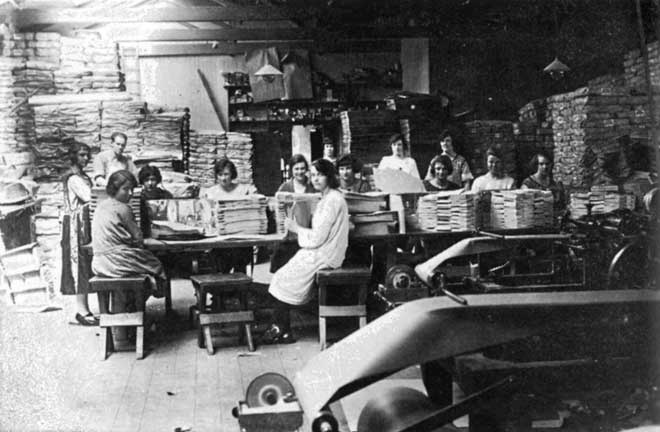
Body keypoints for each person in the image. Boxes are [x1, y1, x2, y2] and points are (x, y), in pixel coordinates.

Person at [263, 159, 349, 344]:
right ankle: (282, 327)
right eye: (314, 174)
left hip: (326, 253)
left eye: (320, 174)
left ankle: (281, 328)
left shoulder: (332, 200)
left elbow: (318, 237)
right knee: (281, 274)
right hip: (323, 249)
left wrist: (296, 228)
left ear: (329, 176)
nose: (316, 179)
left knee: (282, 276)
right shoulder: (327, 197)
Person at [91, 170, 167, 299]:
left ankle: (131, 302)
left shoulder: (100, 206)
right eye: (125, 189)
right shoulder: (124, 208)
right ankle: (145, 298)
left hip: (99, 263)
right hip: (118, 262)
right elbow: (138, 238)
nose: (130, 193)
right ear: (114, 189)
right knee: (156, 264)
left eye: (132, 189)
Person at [60, 141, 96, 326]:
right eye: (82, 155)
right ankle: (81, 311)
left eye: (87, 154)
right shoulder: (74, 178)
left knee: (85, 263)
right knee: (79, 263)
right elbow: (90, 197)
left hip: (84, 223)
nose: (86, 158)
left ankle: (84, 308)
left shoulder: (83, 175)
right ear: (74, 156)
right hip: (76, 224)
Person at [201, 158, 257, 273]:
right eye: (220, 174)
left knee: (240, 268)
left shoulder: (244, 190)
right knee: (220, 268)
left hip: (240, 239)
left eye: (226, 174)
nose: (223, 178)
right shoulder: (210, 192)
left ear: (232, 174)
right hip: (219, 241)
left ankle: (240, 285)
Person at [271, 154, 316, 273]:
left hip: (307, 233)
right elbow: (278, 209)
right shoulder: (285, 187)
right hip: (289, 236)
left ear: (306, 169)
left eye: (302, 168)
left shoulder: (312, 187)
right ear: (291, 170)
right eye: (296, 169)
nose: (300, 172)